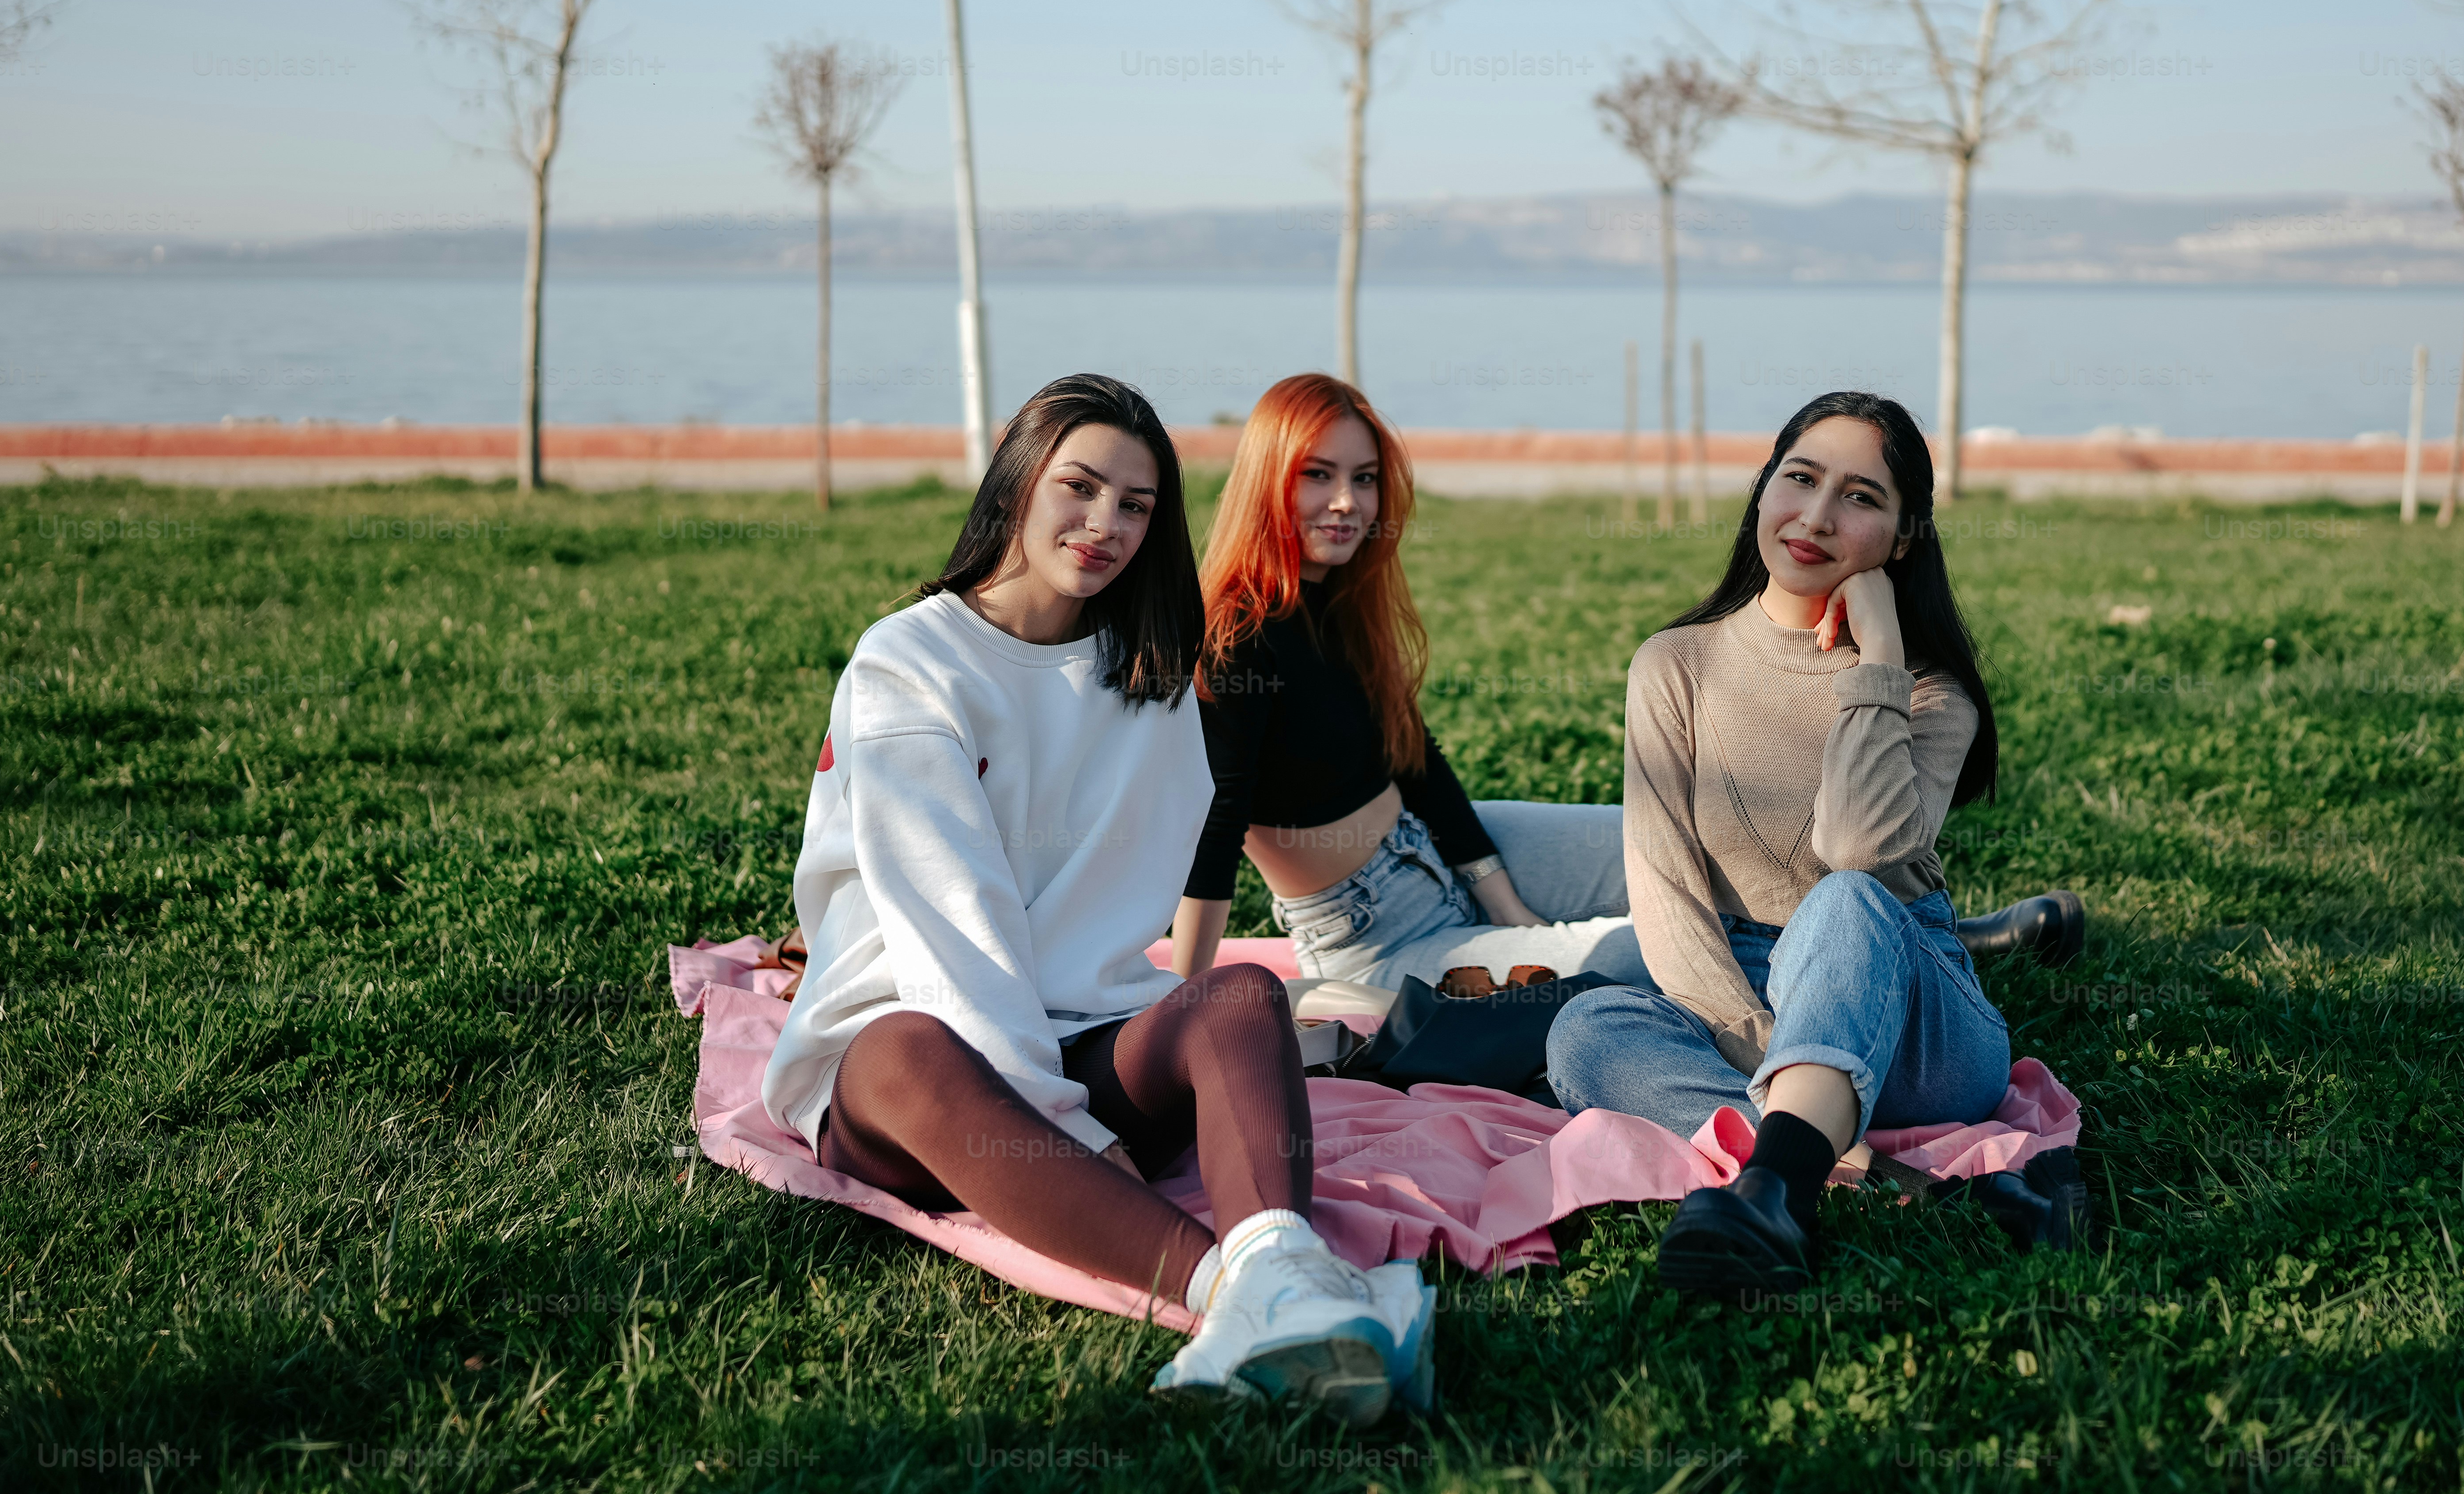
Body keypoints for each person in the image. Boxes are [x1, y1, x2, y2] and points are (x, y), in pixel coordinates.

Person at [761, 374, 1429, 1427]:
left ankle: (1279, 1269)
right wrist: (1056, 1118)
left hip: (1087, 1046)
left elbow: (1141, 894)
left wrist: (1091, 1088)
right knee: (902, 1047)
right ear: (1018, 482)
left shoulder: (1148, 675)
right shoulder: (910, 662)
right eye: (1079, 487)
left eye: (1136, 504)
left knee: (1241, 995)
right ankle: (1240, 1295)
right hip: (930, 1085)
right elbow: (952, 924)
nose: (1105, 522)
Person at [1545, 390, 2034, 1296]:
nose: (1815, 517)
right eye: (1800, 479)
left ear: (1903, 536)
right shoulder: (1676, 665)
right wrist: (1776, 1049)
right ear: (1764, 488)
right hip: (1741, 987)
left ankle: (1773, 1192)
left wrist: (1878, 660)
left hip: (1910, 1006)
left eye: (1861, 497)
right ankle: (1864, 1174)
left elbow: (1858, 850)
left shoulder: (1932, 695)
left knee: (1843, 899)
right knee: (1586, 1028)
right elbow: (1667, 894)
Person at [1176, 373, 1647, 991]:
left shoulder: (1344, 605)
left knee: (1668, 845)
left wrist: (1505, 906)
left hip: (1436, 852)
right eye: (1318, 475)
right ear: (1267, 479)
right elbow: (1215, 826)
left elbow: (1418, 762)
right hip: (1378, 940)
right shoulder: (1234, 636)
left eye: (1364, 478)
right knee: (1645, 954)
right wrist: (1181, 1000)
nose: (1346, 502)